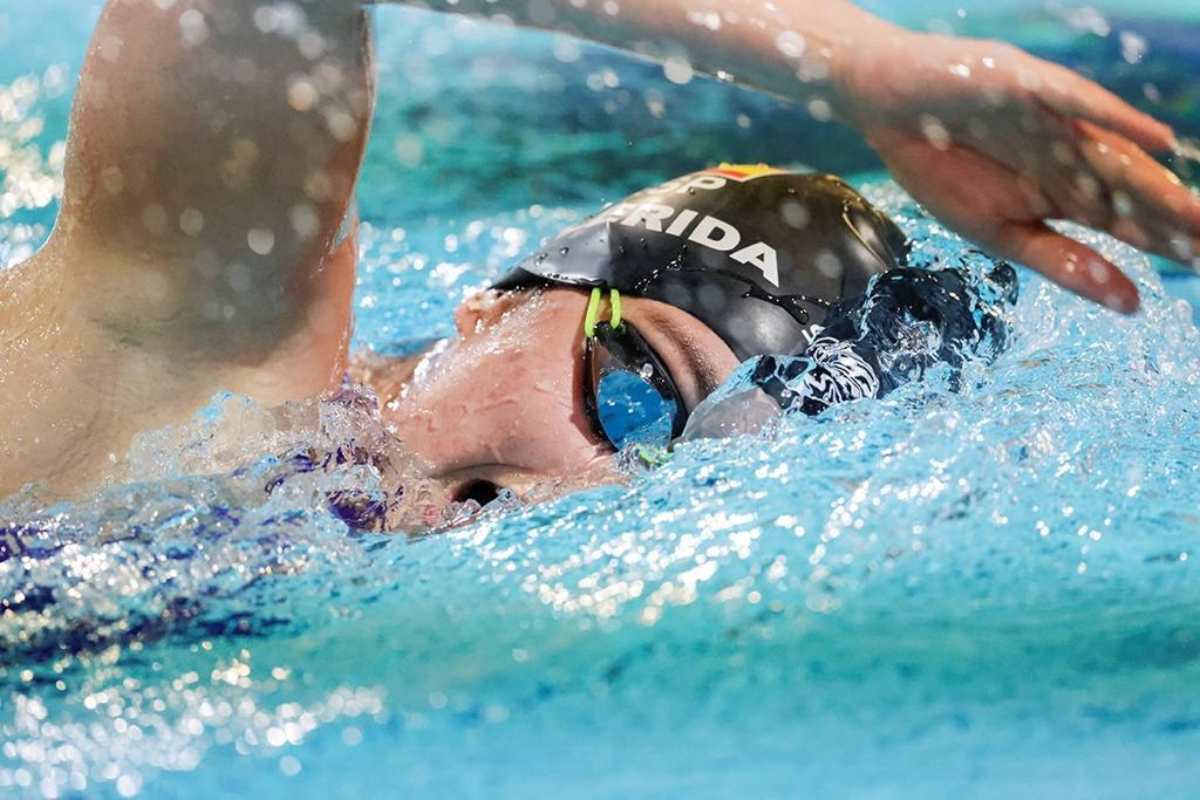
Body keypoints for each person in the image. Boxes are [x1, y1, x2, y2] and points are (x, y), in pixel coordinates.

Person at [1, 0, 1198, 508]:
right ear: (492, 305)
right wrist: (849, 63)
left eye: (681, 479)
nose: (594, 487)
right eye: (633, 391)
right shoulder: (176, 349)